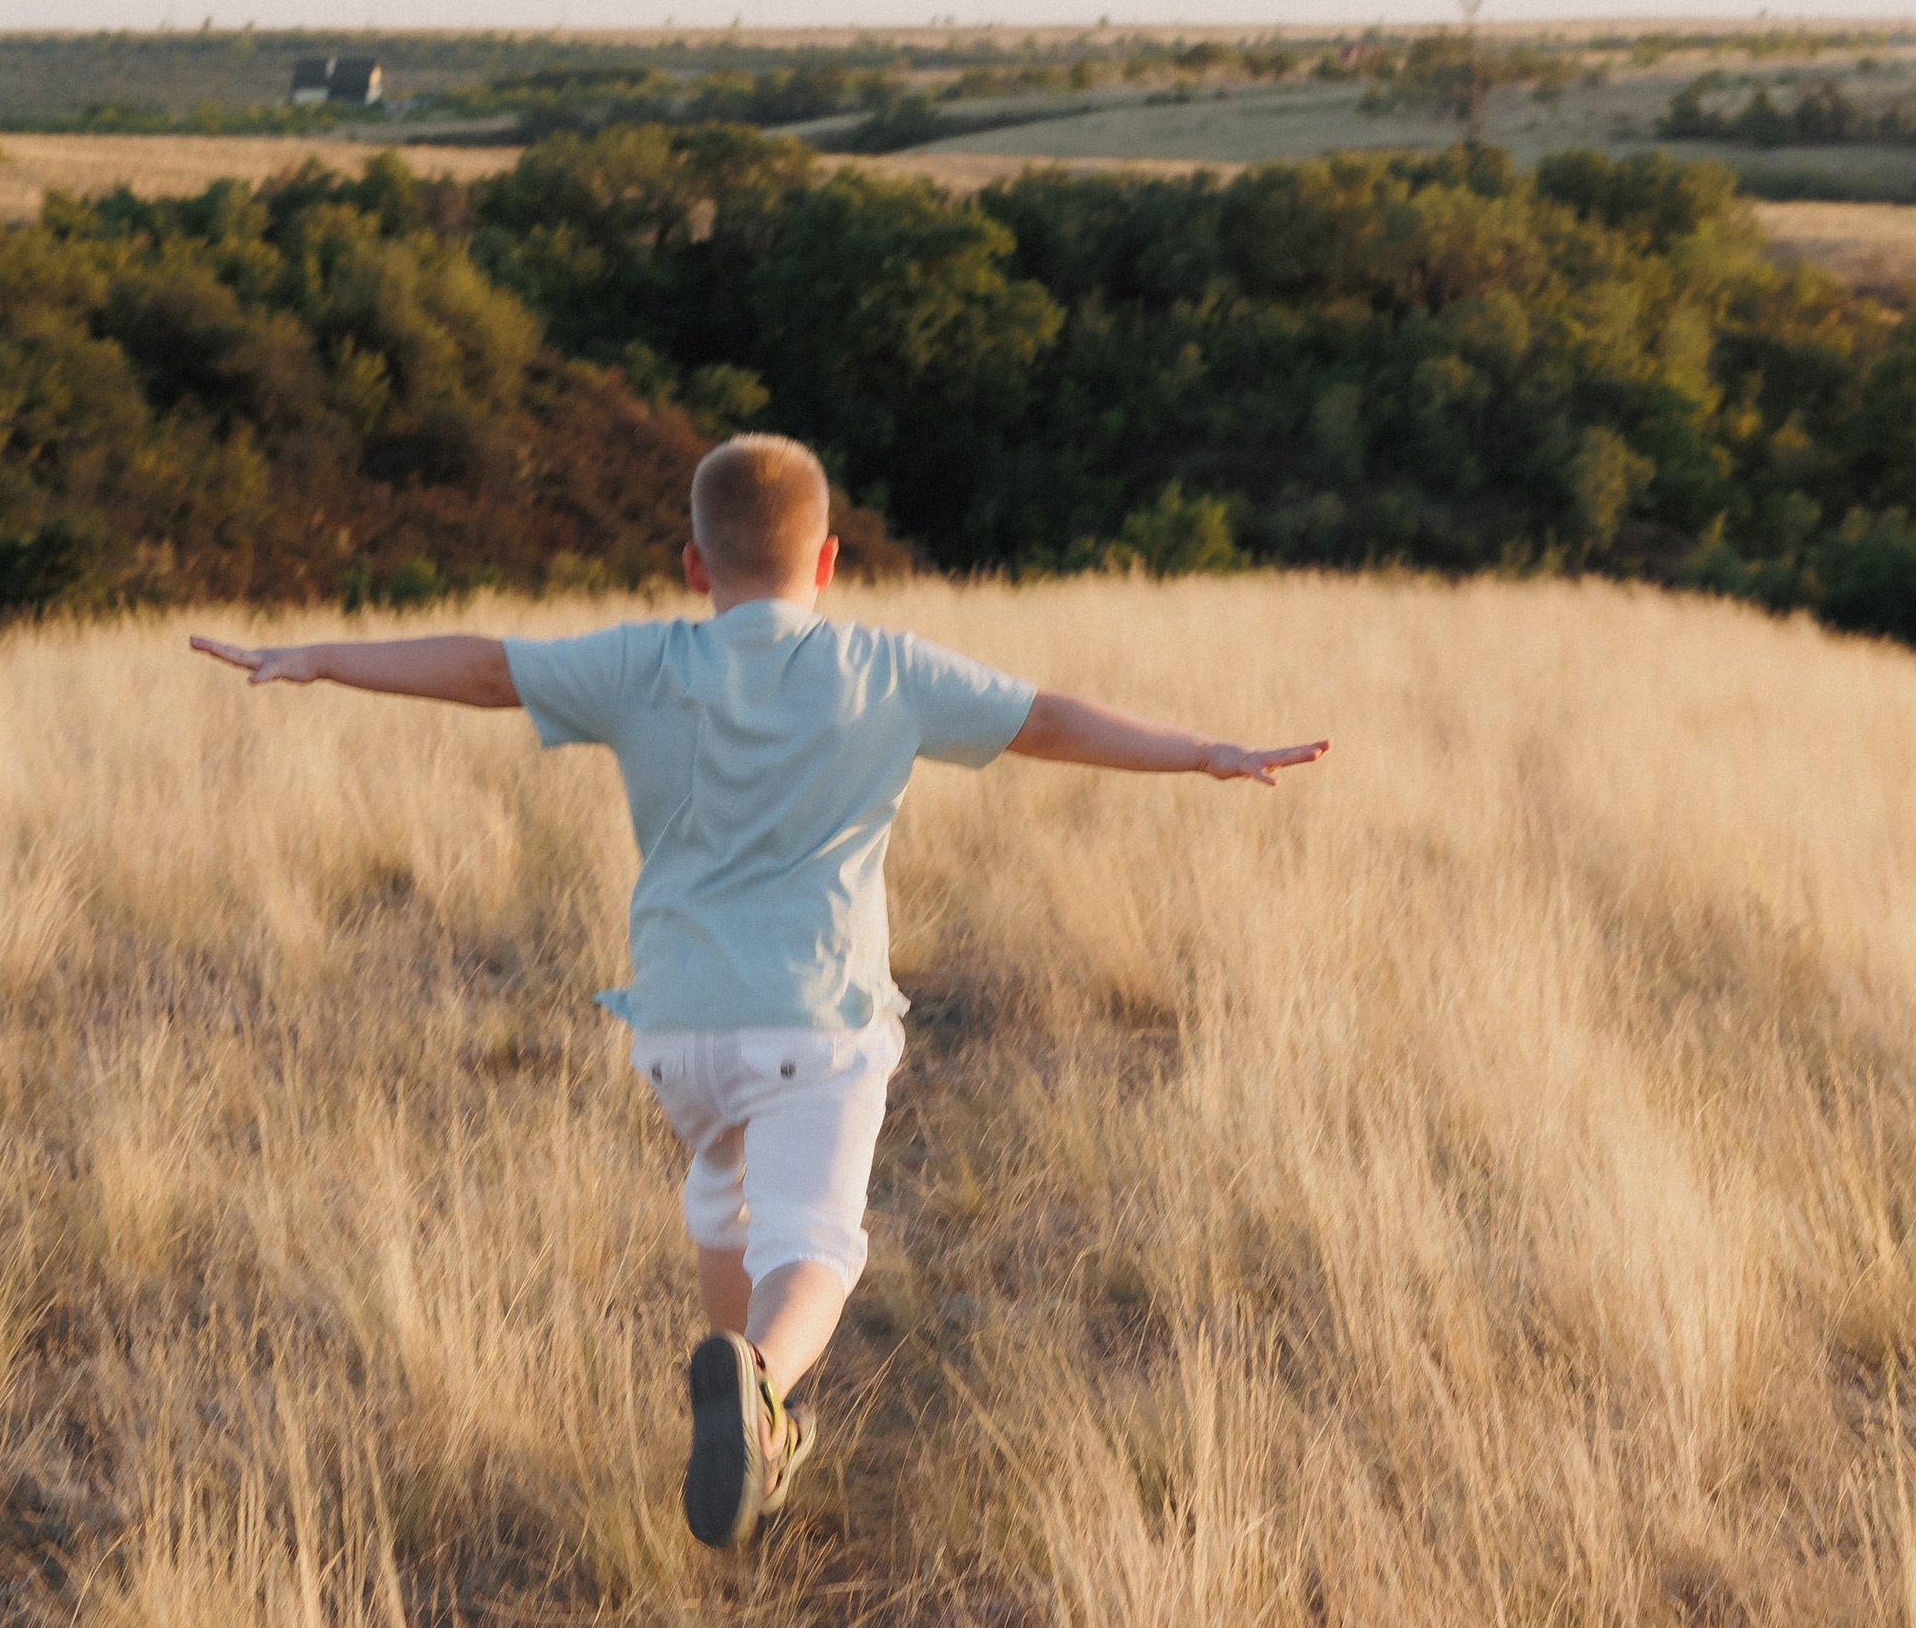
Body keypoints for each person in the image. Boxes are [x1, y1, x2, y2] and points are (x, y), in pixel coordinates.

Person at [192, 434, 1324, 1552]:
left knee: (721, 1199)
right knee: (816, 1249)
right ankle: (762, 1391)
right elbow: (1049, 721)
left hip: (677, 1032)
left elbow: (488, 666)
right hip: (818, 1023)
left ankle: (735, 1433)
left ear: (694, 564)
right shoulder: (881, 668)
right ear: (827, 562)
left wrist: (322, 656)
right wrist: (1200, 751)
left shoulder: (645, 665)